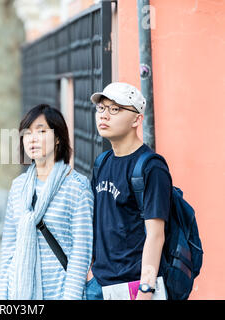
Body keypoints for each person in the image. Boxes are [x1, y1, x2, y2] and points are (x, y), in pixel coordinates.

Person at [0, 104, 94, 300]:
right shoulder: (18, 187)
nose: (32, 139)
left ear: (58, 138)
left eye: (41, 131)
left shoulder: (76, 186)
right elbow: (9, 249)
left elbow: (81, 253)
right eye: (27, 133)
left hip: (60, 293)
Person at [86, 82, 171, 300]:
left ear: (137, 119)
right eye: (101, 108)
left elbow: (155, 235)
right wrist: (90, 274)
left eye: (115, 109)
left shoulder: (151, 167)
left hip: (132, 288)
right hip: (98, 285)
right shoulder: (101, 162)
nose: (104, 115)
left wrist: (145, 289)